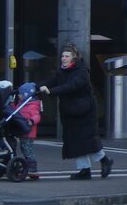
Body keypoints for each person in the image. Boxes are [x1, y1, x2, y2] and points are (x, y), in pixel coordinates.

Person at [39, 41, 110, 180]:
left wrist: (50, 91)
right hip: (70, 111)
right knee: (74, 140)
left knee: (87, 140)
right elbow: (49, 81)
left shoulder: (82, 73)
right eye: (62, 56)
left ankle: (105, 161)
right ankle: (85, 170)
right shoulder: (62, 72)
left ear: (74, 58)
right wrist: (31, 86)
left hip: (85, 111)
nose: (63, 59)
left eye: (66, 56)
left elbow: (71, 86)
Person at [8, 81, 42, 180]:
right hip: (22, 131)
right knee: (24, 148)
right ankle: (28, 166)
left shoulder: (32, 105)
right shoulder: (21, 104)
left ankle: (32, 169)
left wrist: (32, 120)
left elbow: (37, 116)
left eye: (20, 94)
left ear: (26, 95)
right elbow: (16, 111)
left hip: (29, 133)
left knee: (28, 150)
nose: (18, 96)